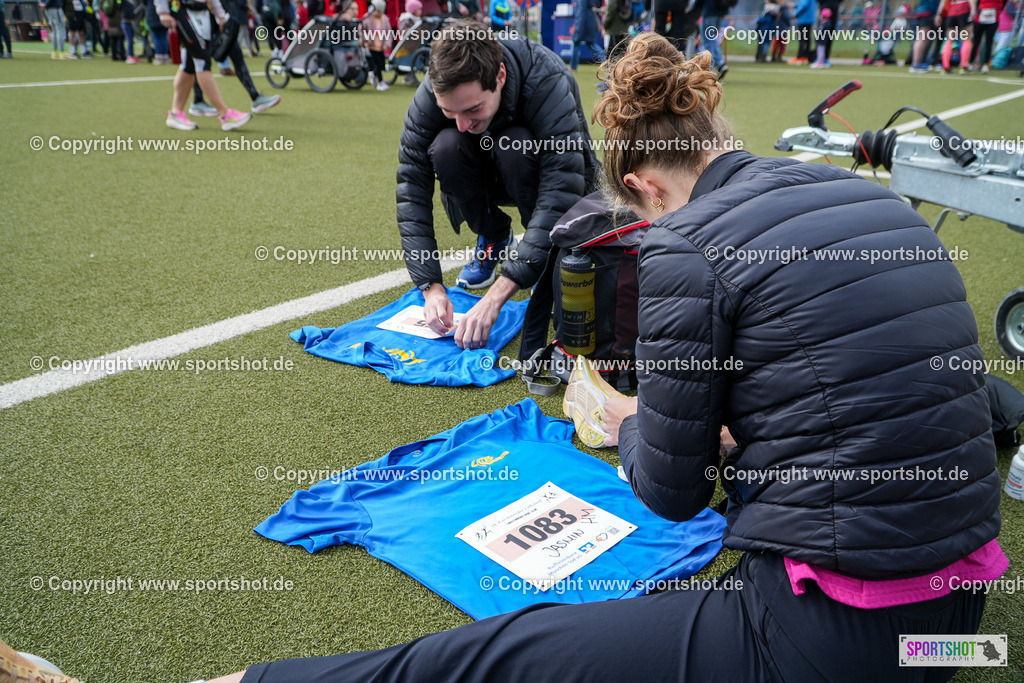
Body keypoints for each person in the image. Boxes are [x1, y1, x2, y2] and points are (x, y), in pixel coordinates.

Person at [189, 33, 1004, 683]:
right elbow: (856, 389)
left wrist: (628, 419)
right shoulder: (877, 200)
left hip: (844, 641)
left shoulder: (687, 243)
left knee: (504, 653)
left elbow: (673, 494)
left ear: (644, 185)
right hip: (961, 633)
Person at [398, 21, 598, 359]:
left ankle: (545, 260)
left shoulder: (547, 79)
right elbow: (411, 188)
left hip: (535, 170)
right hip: (482, 172)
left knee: (514, 145)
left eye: (473, 109)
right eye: (449, 111)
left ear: (500, 76)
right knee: (446, 146)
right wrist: (430, 287)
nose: (463, 124)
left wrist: (498, 294)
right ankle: (494, 238)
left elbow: (563, 187)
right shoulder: (432, 92)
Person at [157, 0, 252, 131]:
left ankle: (176, 113)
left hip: (201, 12)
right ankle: (225, 114)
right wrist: (163, 11)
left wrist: (220, 13)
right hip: (180, 8)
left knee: (189, 65)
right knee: (202, 60)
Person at [188, 0, 282, 114]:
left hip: (221, 19)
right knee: (200, 62)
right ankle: (198, 101)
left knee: (236, 55)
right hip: (203, 21)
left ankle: (255, 97)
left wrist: (222, 15)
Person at [936, 0, 976, 72]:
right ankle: (964, 66)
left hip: (952, 11)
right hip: (964, 9)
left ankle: (945, 67)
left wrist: (939, 14)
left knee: (949, 40)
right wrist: (973, 9)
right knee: (967, 39)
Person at [361, 0, 392, 90]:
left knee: (381, 64)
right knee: (376, 65)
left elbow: (389, 33)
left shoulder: (385, 19)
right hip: (371, 46)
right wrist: (366, 39)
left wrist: (387, 44)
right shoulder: (367, 18)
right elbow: (361, 30)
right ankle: (380, 82)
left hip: (380, 47)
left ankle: (373, 75)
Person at [968, 0, 1005, 71]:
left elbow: (1003, 3)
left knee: (989, 42)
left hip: (994, 17)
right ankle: (970, 62)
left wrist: (998, 10)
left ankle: (985, 64)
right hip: (980, 17)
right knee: (976, 42)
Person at [569, 0, 605, 71]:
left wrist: (579, 26)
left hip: (583, 23)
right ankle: (606, 61)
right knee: (591, 44)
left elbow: (582, 10)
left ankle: (573, 66)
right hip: (590, 21)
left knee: (576, 43)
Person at [700, 0, 730, 78]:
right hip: (721, 11)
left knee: (707, 40)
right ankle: (721, 63)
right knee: (712, 39)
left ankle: (711, 68)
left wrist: (695, 8)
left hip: (709, 11)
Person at [909, 0, 941, 71]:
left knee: (921, 39)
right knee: (921, 39)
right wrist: (936, 13)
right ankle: (915, 64)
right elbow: (933, 3)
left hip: (921, 12)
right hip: (926, 13)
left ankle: (917, 63)